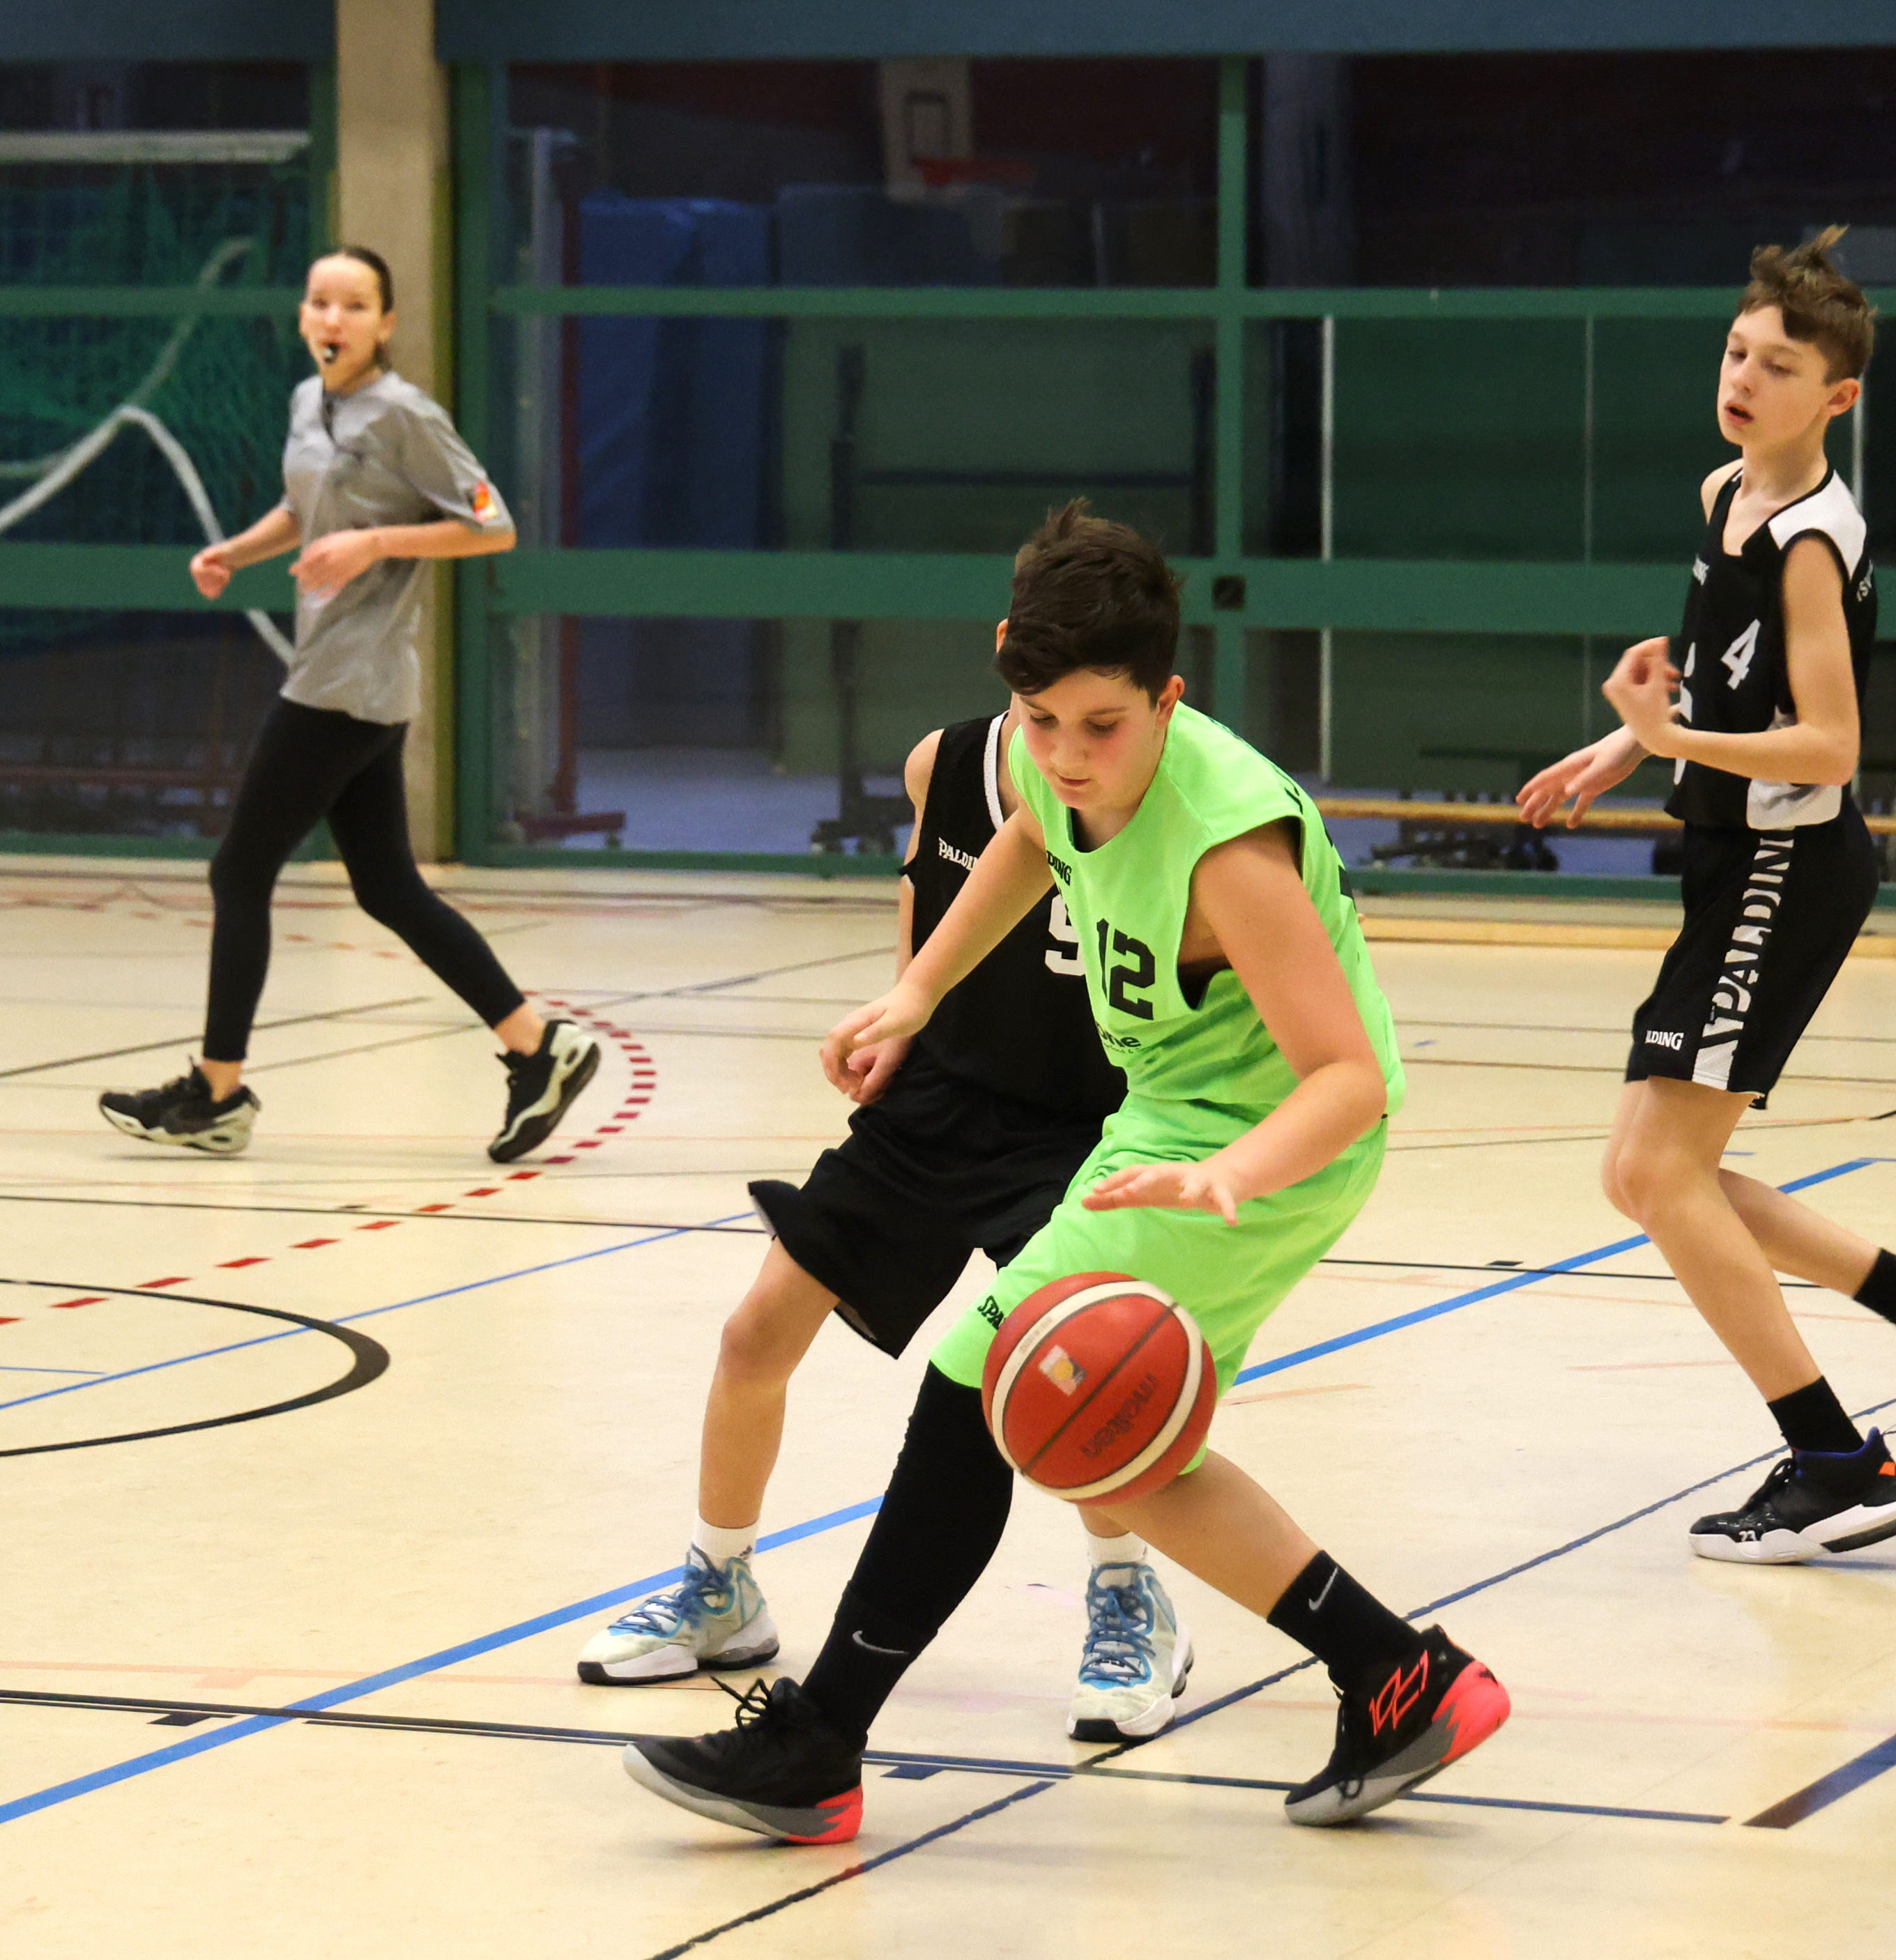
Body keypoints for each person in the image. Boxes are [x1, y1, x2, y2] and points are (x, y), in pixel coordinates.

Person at [621, 505, 1506, 1845]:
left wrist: (1231, 1175)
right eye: (1041, 721)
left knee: (975, 1384)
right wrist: (916, 990)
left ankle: (822, 1740)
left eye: (1103, 724)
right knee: (1122, 1452)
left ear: (1168, 698)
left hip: (1266, 1143)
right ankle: (1398, 1673)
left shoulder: (1226, 848)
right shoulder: (1047, 765)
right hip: (1166, 1119)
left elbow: (1348, 1079)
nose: (1068, 755)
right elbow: (1028, 839)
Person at [1517, 229, 1896, 1565]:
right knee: (1642, 1173)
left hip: (1787, 868)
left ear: (1836, 397)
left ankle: (1839, 1458)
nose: (1743, 378)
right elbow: (1717, 669)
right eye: (1737, 352)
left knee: (1656, 1170)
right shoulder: (1725, 491)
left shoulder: (1808, 541)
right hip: (1731, 859)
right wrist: (1626, 746)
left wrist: (1672, 741)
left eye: (1777, 366)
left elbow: (1832, 744)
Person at [574, 701, 1196, 1744]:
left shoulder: (1156, 783)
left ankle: (1130, 1595)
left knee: (1077, 1374)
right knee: (755, 1332)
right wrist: (905, 1015)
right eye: (1041, 701)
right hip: (940, 1101)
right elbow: (925, 892)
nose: (1064, 734)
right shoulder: (941, 766)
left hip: (1084, 1124)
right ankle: (721, 1585)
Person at [96, 245, 599, 1162]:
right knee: (388, 887)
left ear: (386, 323)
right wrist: (237, 552)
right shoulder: (308, 402)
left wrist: (375, 546)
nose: (334, 318)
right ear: (303, 316)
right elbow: (307, 512)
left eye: (355, 304)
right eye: (320, 302)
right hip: (346, 677)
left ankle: (217, 1093)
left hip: (349, 682)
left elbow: (492, 526)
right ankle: (537, 1047)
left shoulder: (407, 415)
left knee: (239, 871)